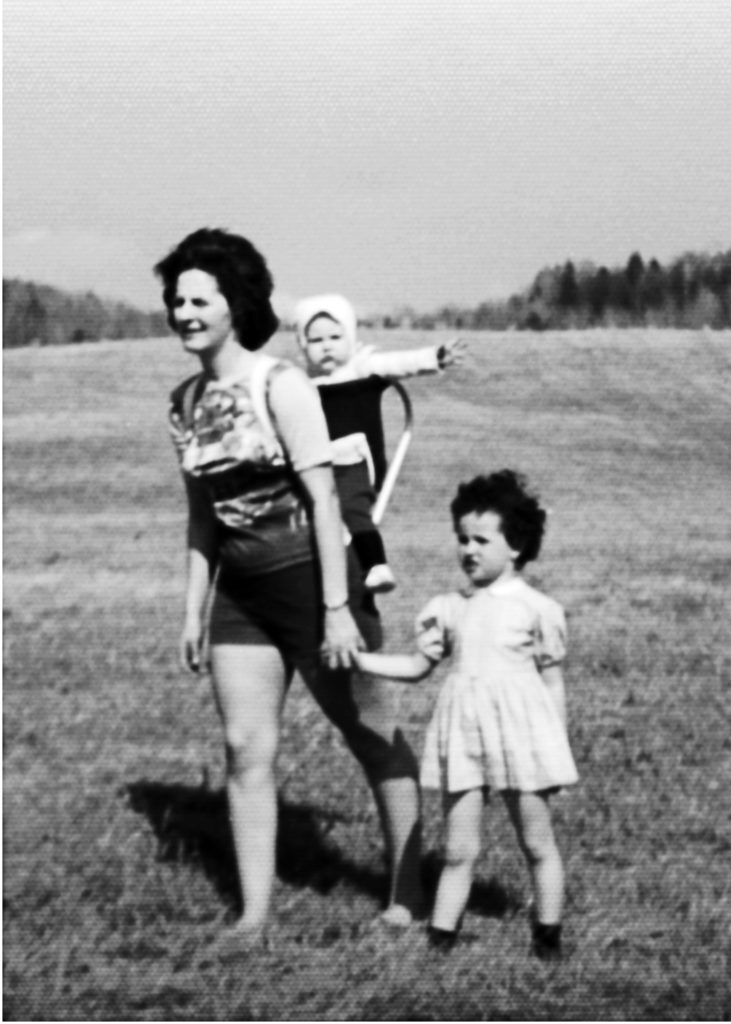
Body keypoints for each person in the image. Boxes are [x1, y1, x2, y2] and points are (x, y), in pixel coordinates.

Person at [155, 228, 423, 947]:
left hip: (315, 586)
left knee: (370, 736)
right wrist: (191, 611)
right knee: (245, 749)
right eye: (176, 299)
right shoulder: (183, 403)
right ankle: (253, 916)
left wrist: (338, 610)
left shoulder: (282, 384)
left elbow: (327, 500)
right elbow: (201, 517)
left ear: (234, 304)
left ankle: (407, 888)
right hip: (241, 600)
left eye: (198, 299)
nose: (183, 313)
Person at [355, 470, 578, 958]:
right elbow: (417, 667)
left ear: (515, 545)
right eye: (462, 538)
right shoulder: (448, 608)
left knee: (537, 843)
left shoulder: (538, 609)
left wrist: (554, 751)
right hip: (464, 738)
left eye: (482, 539)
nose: (468, 549)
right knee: (459, 849)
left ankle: (547, 937)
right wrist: (359, 659)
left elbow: (552, 682)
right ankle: (441, 939)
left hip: (521, 739)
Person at [294, 294, 466, 593]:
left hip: (354, 460)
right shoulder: (298, 384)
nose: (326, 346)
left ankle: (375, 563)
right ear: (303, 346)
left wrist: (434, 357)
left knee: (353, 507)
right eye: (315, 340)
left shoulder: (363, 369)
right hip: (314, 464)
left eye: (336, 336)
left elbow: (400, 363)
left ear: (351, 337)